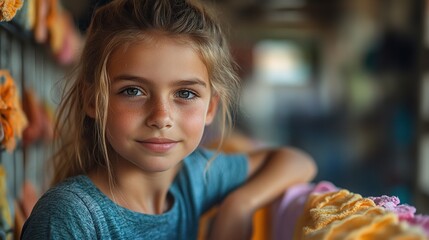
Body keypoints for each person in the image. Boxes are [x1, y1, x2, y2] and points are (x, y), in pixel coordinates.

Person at [21, 0, 317, 239]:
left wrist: (240, 205)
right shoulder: (70, 216)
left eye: (185, 94)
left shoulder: (193, 178)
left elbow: (297, 160)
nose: (161, 117)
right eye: (133, 91)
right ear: (92, 100)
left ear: (211, 107)